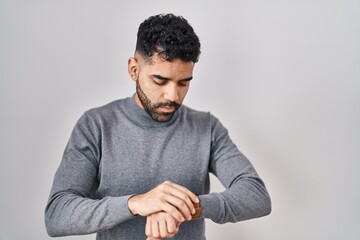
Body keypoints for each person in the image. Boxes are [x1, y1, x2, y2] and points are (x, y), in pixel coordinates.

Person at [45, 13, 271, 240]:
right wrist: (137, 203)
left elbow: (256, 196)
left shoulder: (207, 127)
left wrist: (184, 206)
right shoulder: (96, 125)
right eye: (160, 81)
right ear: (134, 69)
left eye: (183, 82)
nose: (173, 96)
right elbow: (58, 214)